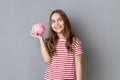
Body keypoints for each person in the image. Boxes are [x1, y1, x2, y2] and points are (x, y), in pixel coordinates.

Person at [30, 9, 83, 80]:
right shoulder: (51, 41)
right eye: (53, 21)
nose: (56, 24)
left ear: (65, 21)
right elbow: (47, 60)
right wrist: (40, 39)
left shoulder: (75, 41)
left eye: (59, 20)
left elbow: (78, 65)